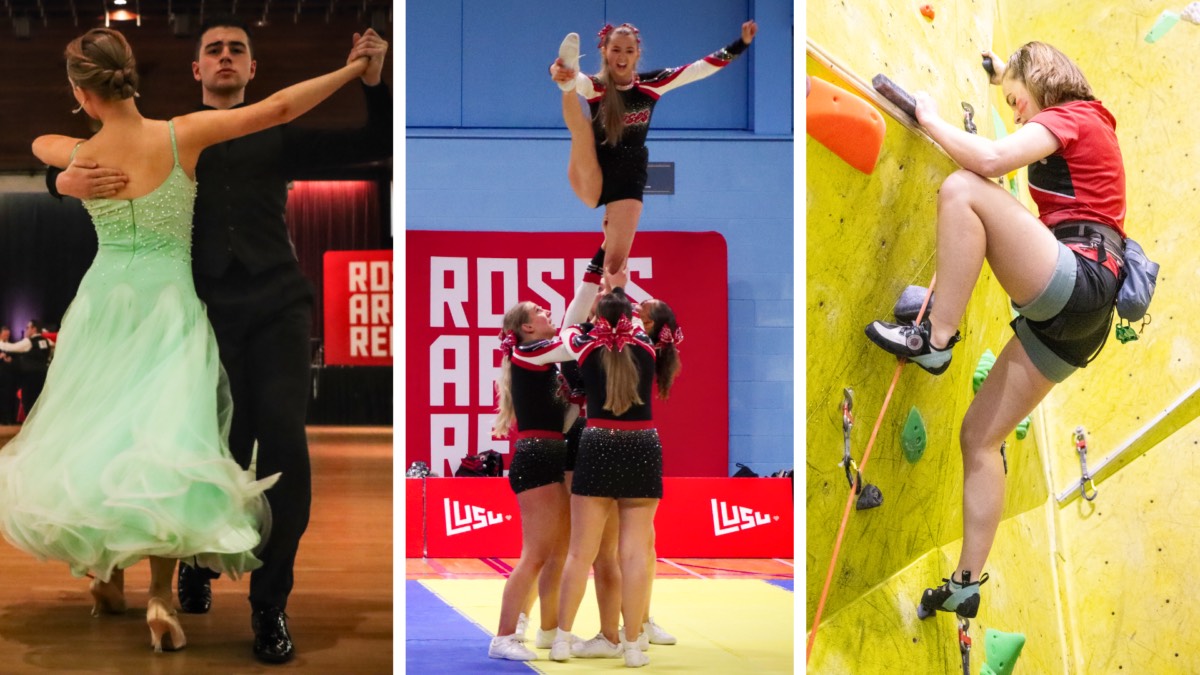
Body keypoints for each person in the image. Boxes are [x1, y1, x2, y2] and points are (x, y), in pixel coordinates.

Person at [3, 26, 370, 655]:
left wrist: (64, 177)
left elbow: (41, 142)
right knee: (171, 438)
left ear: (81, 94)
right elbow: (279, 106)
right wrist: (350, 68)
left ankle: (137, 580)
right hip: (174, 302)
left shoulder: (83, 151)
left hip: (107, 304)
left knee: (112, 431)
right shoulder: (178, 134)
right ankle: (168, 588)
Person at [863, 42, 1125, 619]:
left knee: (963, 188)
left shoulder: (1072, 116)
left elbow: (990, 161)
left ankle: (935, 340)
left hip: (1079, 278)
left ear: (1041, 83)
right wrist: (997, 76)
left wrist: (929, 117)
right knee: (979, 437)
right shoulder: (1081, 122)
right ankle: (967, 581)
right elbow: (1017, 108)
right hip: (1082, 322)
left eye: (1016, 101)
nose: (1017, 115)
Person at [549, 20, 756, 276]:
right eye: (615, 50)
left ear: (637, 53)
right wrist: (561, 72)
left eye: (628, 50)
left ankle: (602, 306)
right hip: (594, 167)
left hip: (629, 175)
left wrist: (741, 44)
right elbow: (579, 79)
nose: (622, 57)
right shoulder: (595, 87)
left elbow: (699, 69)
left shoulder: (653, 83)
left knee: (614, 266)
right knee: (581, 129)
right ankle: (565, 86)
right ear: (604, 51)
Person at [552, 276, 682, 668]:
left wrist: (598, 284)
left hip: (598, 443)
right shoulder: (648, 343)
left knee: (580, 553)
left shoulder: (584, 345)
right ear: (632, 319)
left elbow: (570, 323)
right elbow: (664, 328)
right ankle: (632, 645)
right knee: (635, 554)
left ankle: (561, 640)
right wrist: (618, 289)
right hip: (642, 446)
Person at [487, 246, 605, 661]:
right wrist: (595, 331)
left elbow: (575, 312)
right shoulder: (528, 353)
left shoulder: (544, 359)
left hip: (550, 456)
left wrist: (602, 255)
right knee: (536, 553)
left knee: (557, 551)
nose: (547, 312)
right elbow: (573, 333)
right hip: (535, 459)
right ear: (525, 327)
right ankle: (502, 637)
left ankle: (550, 630)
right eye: (539, 310)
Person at [0, 320, 53, 413]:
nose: (26, 330)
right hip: (44, 376)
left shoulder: (29, 342)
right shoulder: (47, 341)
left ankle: (32, 426)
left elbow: (10, 347)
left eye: (28, 328)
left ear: (34, 329)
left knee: (29, 403)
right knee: (41, 403)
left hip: (30, 378)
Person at [0, 326, 16, 424]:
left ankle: (9, 419)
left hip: (9, 377)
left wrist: (11, 360)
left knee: (9, 398)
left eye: (8, 335)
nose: (7, 336)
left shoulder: (12, 346)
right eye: (5, 334)